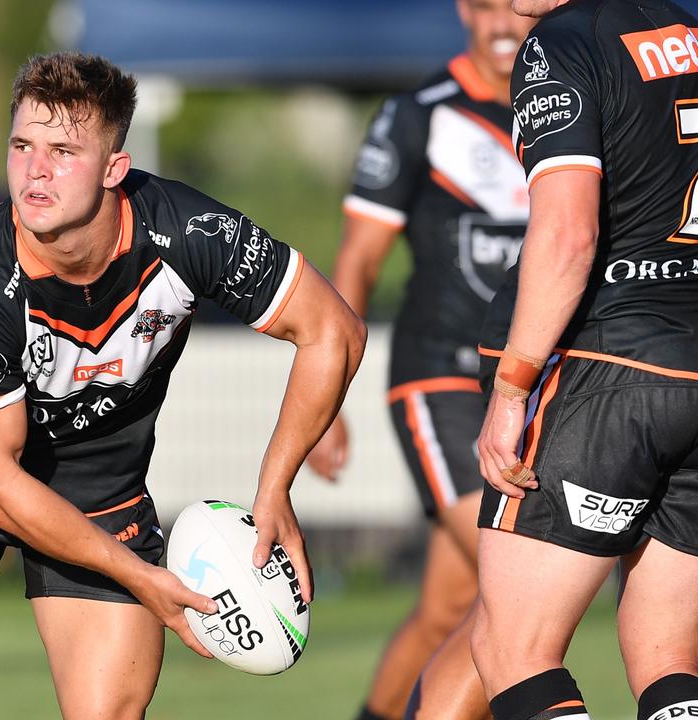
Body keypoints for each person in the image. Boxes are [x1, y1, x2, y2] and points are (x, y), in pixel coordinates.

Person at [0, 52, 367, 720]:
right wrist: (138, 576)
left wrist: (275, 488)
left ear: (113, 169)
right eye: (22, 145)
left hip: (102, 491)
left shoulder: (188, 232)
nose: (35, 170)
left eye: (63, 151)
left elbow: (333, 330)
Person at [467, 1, 698, 719]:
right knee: (669, 657)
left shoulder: (562, 40)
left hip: (608, 369)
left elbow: (568, 233)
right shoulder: (687, 31)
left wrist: (513, 387)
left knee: (514, 652)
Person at [305, 2, 535, 717]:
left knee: (451, 609)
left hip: (537, 387)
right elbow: (358, 261)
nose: (503, 25)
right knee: (521, 584)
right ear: (465, 9)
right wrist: (326, 396)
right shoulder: (419, 114)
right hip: (441, 378)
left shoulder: (575, 104)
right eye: (488, 5)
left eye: (518, 7)